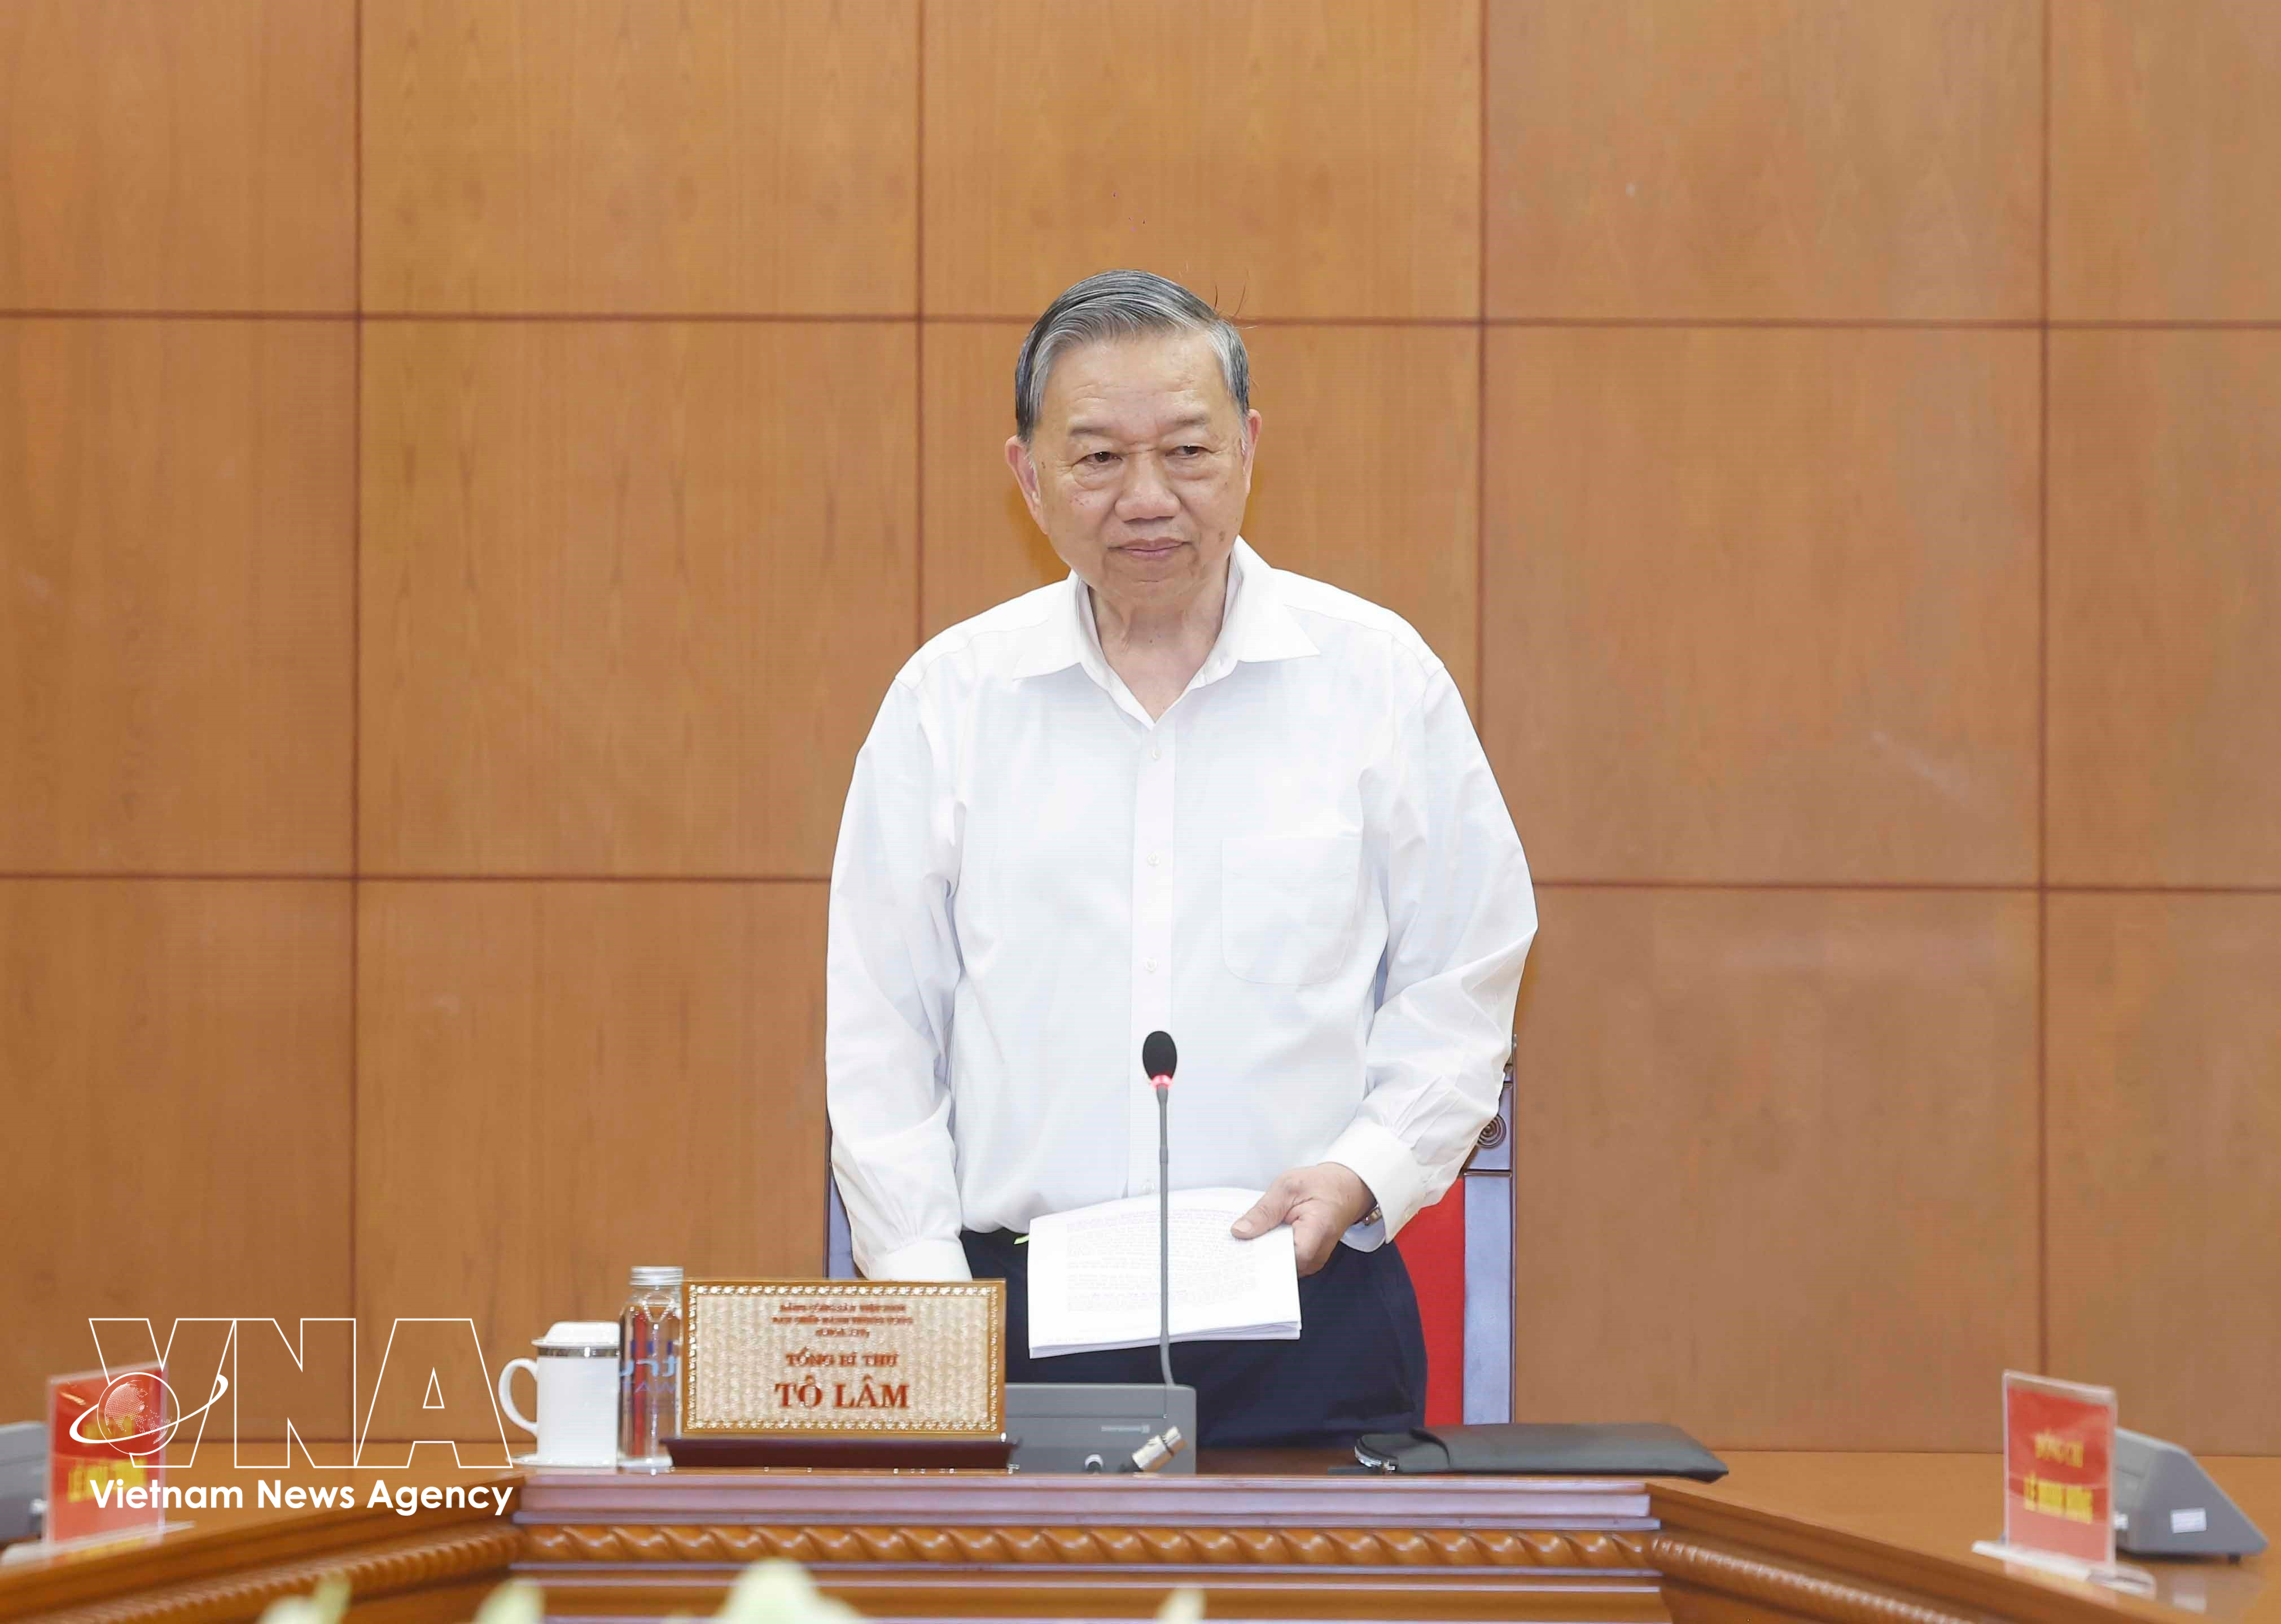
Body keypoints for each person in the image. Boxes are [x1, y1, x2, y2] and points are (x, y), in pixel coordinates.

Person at [825, 269, 1535, 1446]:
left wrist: (1365, 1168)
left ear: (1249, 450)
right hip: (1011, 1322)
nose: (1145, 497)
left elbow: (1465, 973)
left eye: (1187, 452)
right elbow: (880, 1031)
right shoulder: (947, 701)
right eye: (1097, 457)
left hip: (1306, 1304)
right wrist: (926, 1305)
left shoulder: (1374, 678)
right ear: (1027, 475)